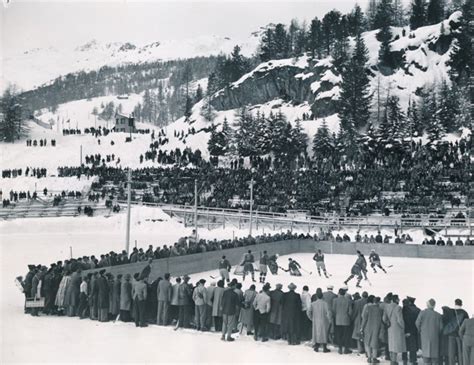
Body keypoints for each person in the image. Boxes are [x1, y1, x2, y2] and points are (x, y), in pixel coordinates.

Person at [416, 298, 443, 365]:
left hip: (424, 336)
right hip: (434, 337)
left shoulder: (422, 313)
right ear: (434, 305)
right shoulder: (438, 315)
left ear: (427, 305)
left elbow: (417, 323)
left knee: (426, 358)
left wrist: (421, 331)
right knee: (434, 358)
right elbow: (441, 328)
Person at [383, 294, 406, 365]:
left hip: (390, 328)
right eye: (398, 299)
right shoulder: (398, 308)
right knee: (396, 345)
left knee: (392, 345)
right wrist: (403, 327)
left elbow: (384, 318)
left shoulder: (387, 307)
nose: (399, 300)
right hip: (397, 329)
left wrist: (388, 323)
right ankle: (394, 361)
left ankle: (393, 360)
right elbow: (400, 320)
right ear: (396, 300)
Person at [361, 295, 383, 364]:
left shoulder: (368, 307)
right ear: (378, 302)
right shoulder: (380, 310)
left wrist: (362, 327)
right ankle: (374, 358)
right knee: (375, 344)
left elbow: (364, 319)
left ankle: (369, 357)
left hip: (367, 327)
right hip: (376, 328)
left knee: (367, 343)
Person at [445, 299, 469, 365]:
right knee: (460, 353)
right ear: (461, 304)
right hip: (460, 335)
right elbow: (466, 325)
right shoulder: (465, 313)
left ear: (455, 303)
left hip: (451, 335)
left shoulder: (450, 312)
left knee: (451, 353)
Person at [308, 288, 332, 352]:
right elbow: (328, 313)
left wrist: (311, 318)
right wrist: (330, 320)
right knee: (324, 333)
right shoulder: (325, 303)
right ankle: (324, 347)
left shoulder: (313, 304)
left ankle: (316, 346)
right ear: (322, 296)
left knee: (316, 333)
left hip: (315, 320)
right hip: (324, 321)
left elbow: (308, 312)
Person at [332, 288, 353, 354]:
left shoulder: (335, 300)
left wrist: (336, 316)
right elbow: (350, 312)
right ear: (344, 293)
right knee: (346, 335)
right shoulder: (348, 300)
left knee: (339, 335)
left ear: (339, 293)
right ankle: (346, 349)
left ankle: (340, 348)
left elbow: (334, 311)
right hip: (346, 320)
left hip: (338, 320)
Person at [402, 296, 420, 365]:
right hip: (414, 331)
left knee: (405, 346)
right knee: (413, 346)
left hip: (406, 330)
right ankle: (413, 360)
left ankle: (405, 360)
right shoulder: (418, 310)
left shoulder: (404, 310)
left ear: (409, 302)